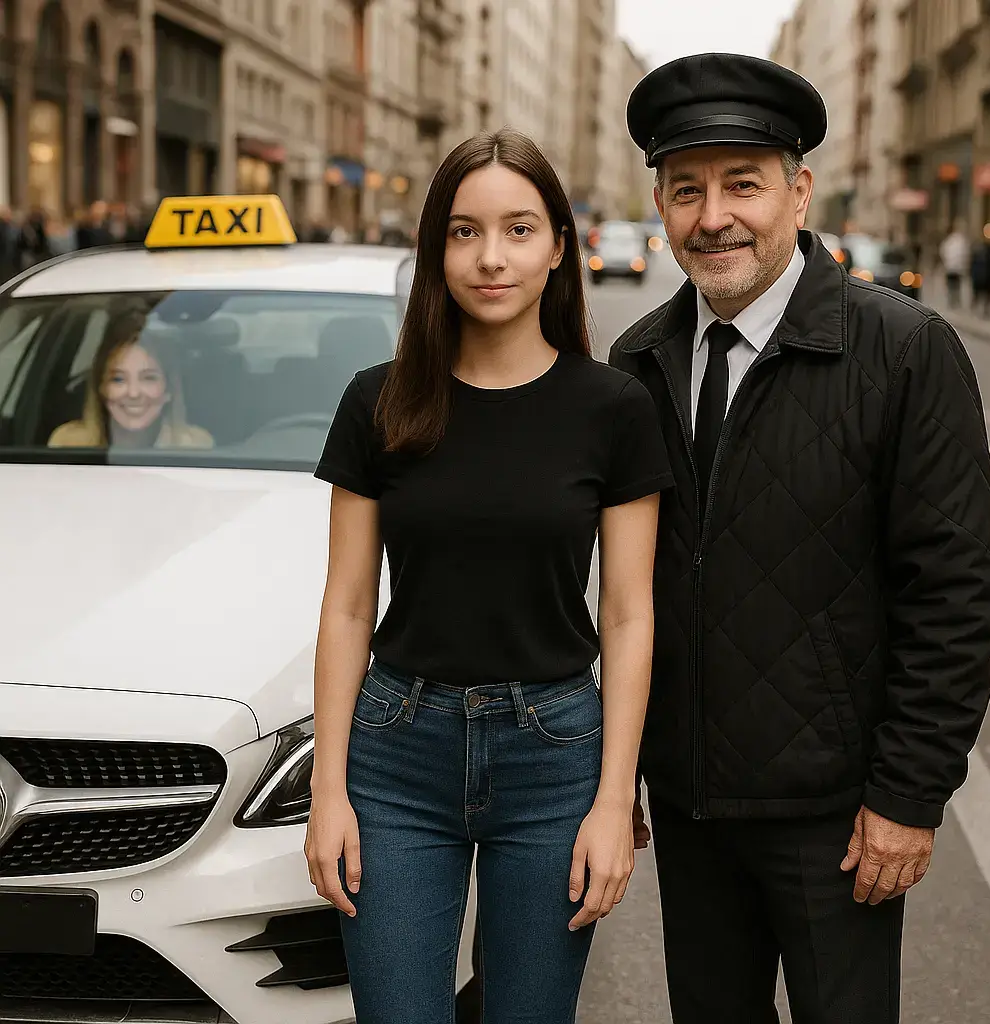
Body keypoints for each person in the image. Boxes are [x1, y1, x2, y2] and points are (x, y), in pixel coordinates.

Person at [610, 53, 990, 1024]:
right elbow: (619, 593)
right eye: (687, 190)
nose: (714, 217)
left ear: (798, 191)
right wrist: (618, 773)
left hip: (838, 819)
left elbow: (953, 593)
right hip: (691, 806)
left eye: (742, 184)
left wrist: (908, 796)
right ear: (660, 205)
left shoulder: (903, 349)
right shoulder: (637, 360)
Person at [305, 127, 674, 1024]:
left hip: (555, 755)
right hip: (396, 756)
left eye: (518, 229)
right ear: (436, 251)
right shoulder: (378, 400)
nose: (491, 258)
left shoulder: (613, 408)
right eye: (464, 232)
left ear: (558, 247)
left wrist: (614, 800)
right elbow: (348, 606)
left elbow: (629, 614)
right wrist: (327, 791)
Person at [49, 310, 213, 450]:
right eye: (118, 379)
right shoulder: (68, 442)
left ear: (168, 390)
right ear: (101, 388)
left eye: (148, 378)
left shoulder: (194, 446)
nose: (133, 393)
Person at [939, 221, 969, 308]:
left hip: (950, 267)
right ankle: (956, 300)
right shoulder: (960, 240)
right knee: (956, 284)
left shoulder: (948, 241)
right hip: (958, 267)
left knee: (951, 284)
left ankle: (952, 300)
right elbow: (965, 253)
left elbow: (943, 252)